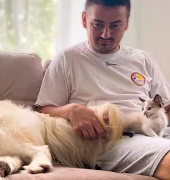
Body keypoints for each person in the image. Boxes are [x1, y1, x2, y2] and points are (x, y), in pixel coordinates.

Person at [35, 0, 170, 179]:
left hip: (155, 132)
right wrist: (71, 110)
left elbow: (167, 107)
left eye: (115, 25)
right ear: (84, 20)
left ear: (126, 24)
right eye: (98, 24)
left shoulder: (143, 59)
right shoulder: (68, 59)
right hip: (113, 141)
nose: (106, 34)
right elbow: (42, 110)